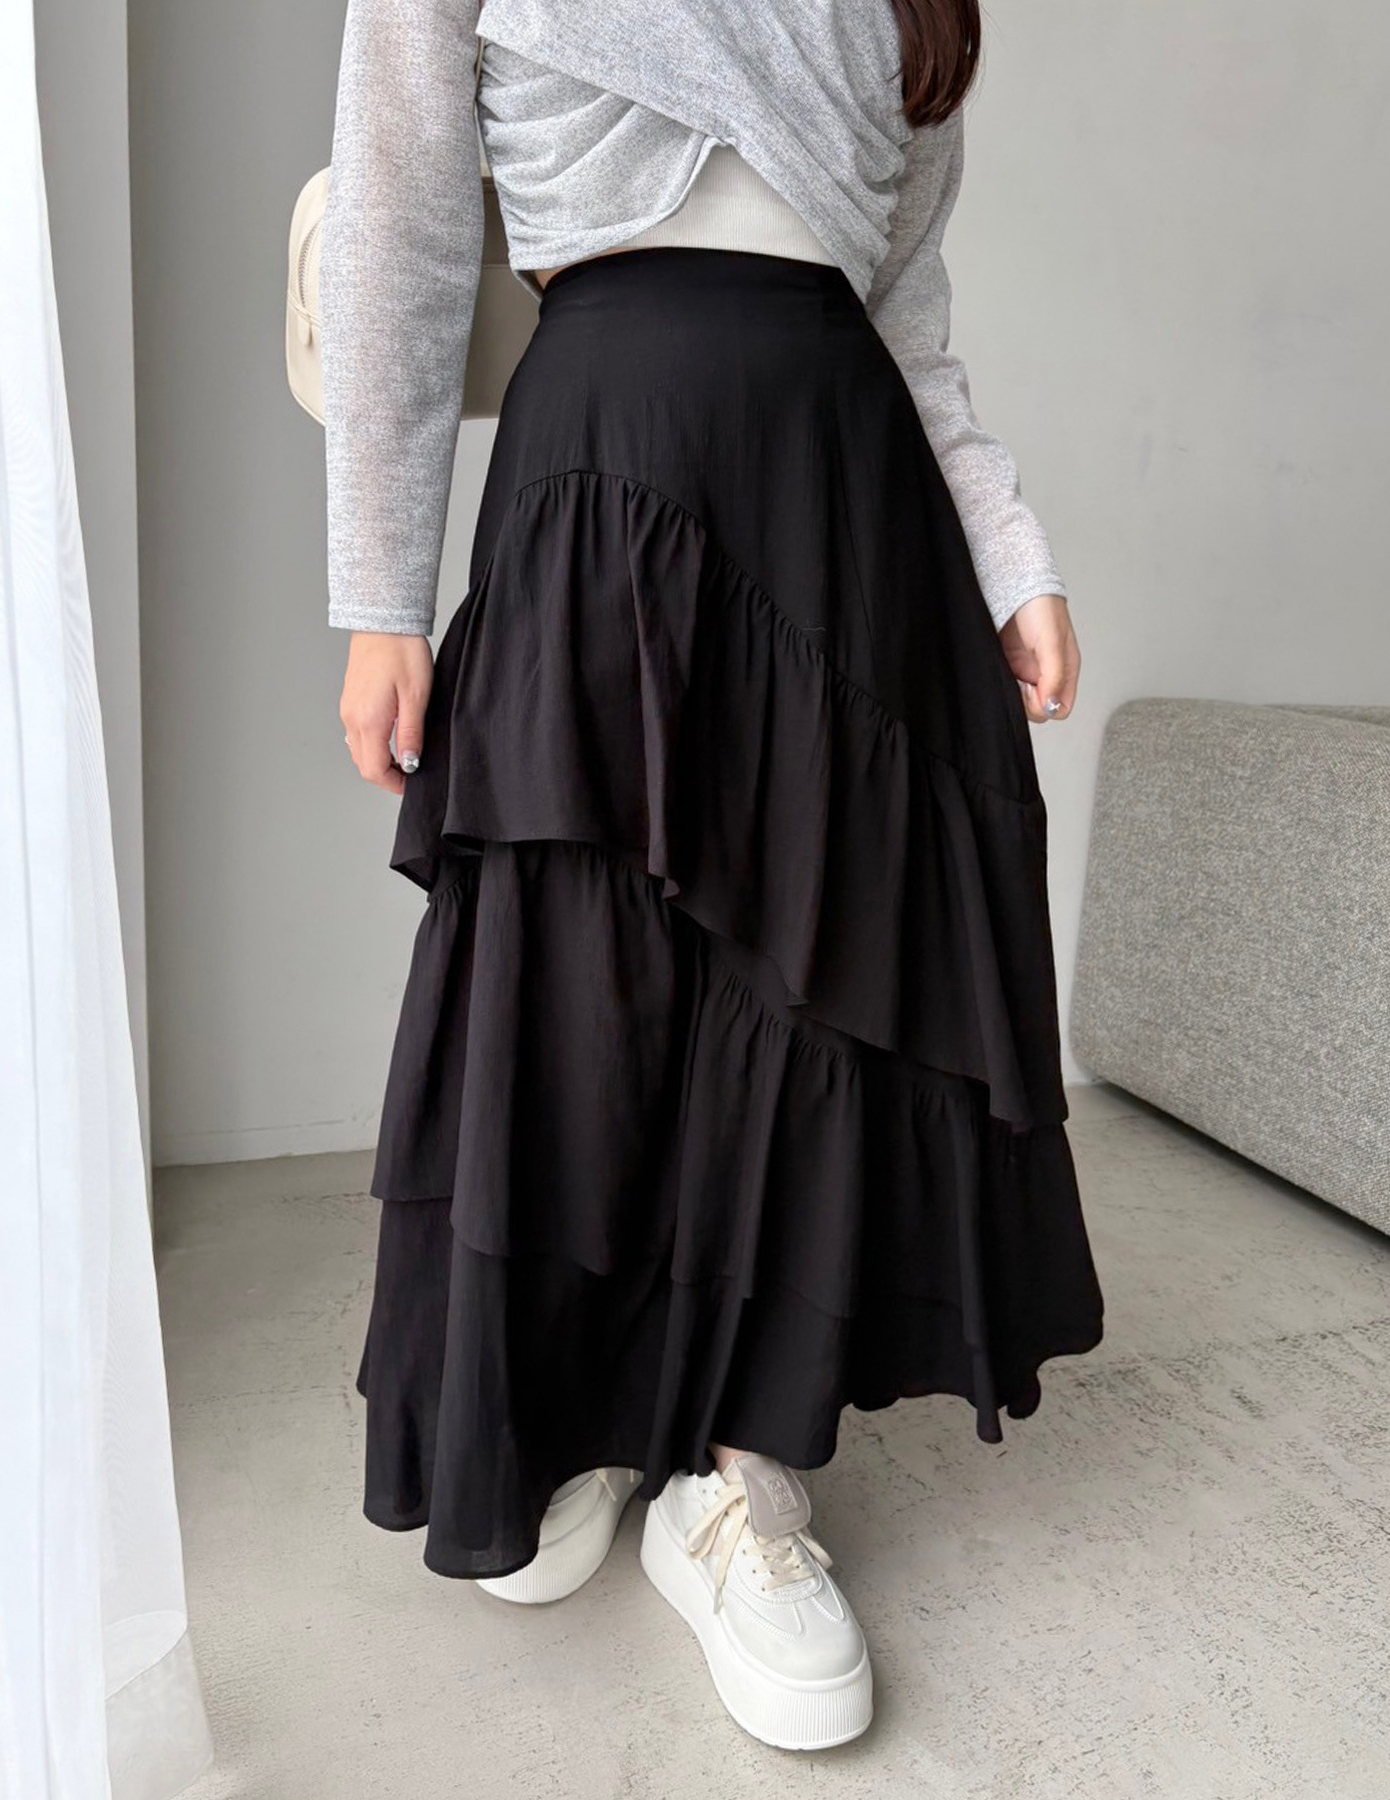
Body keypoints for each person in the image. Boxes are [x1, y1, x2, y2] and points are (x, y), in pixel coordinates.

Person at [321, 0, 1105, 1751]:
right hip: (602, 460)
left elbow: (905, 315)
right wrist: (379, 591)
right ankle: (587, 1411)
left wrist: (1009, 550)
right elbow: (399, 219)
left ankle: (742, 1476)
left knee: (807, 993)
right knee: (582, 981)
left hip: (846, 493)